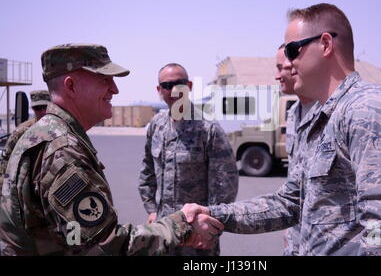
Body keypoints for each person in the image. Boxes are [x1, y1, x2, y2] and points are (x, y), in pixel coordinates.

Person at [184, 3, 381, 256]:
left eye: (292, 50)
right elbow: (291, 203)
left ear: (325, 44)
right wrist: (213, 214)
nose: (288, 64)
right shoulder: (320, 118)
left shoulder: (372, 110)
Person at [0, 44, 222, 256]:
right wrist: (181, 224)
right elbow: (104, 246)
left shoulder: (45, 133)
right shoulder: (62, 150)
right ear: (71, 86)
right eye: (104, 80)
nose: (115, 89)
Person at [138, 63, 239, 256]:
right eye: (167, 85)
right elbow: (147, 171)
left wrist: (211, 226)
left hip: (196, 235)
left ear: (190, 86)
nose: (174, 90)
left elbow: (226, 186)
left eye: (179, 83)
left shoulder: (208, 129)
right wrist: (151, 210)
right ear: (159, 90)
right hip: (162, 231)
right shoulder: (156, 127)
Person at [275, 44, 318, 256]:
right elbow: (294, 189)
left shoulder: (333, 112)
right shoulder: (294, 114)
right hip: (297, 239)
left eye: (280, 67)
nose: (277, 76)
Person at [0, 90, 50, 187]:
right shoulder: (22, 132)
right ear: (33, 109)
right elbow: (6, 161)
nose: (42, 112)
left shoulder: (61, 128)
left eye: (45, 107)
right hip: (28, 186)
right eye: (38, 108)